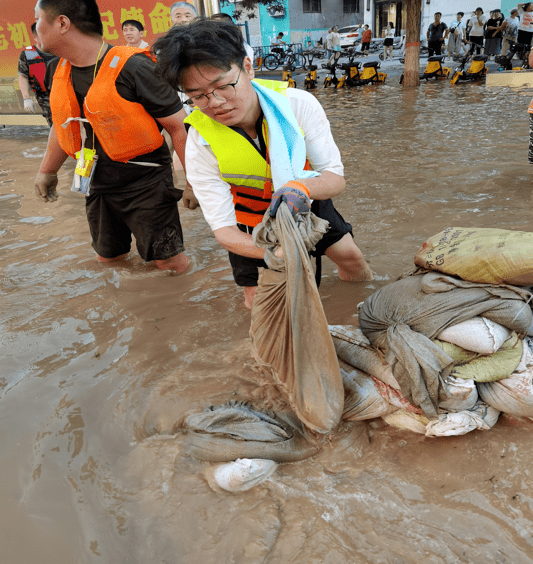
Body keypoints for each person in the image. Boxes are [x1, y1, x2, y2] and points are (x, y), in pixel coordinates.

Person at [154, 19, 373, 308]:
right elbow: (224, 231)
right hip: (248, 222)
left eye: (222, 86)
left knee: (353, 260)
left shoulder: (297, 105)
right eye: (198, 97)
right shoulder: (199, 141)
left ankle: (358, 307)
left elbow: (335, 179)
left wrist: (299, 188)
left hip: (305, 200)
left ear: (247, 67)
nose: (215, 102)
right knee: (257, 298)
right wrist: (275, 254)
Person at [34, 0, 197, 274]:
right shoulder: (57, 70)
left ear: (62, 23)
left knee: (170, 265)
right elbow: (62, 124)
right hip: (95, 184)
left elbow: (179, 127)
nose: (35, 28)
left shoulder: (135, 67)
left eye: (38, 19)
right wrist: (47, 171)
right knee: (109, 261)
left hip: (146, 184)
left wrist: (192, 184)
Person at [17, 22, 56, 126]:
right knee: (56, 126)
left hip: (67, 93)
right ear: (35, 37)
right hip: (45, 98)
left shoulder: (61, 50)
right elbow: (22, 76)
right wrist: (26, 98)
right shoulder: (28, 54)